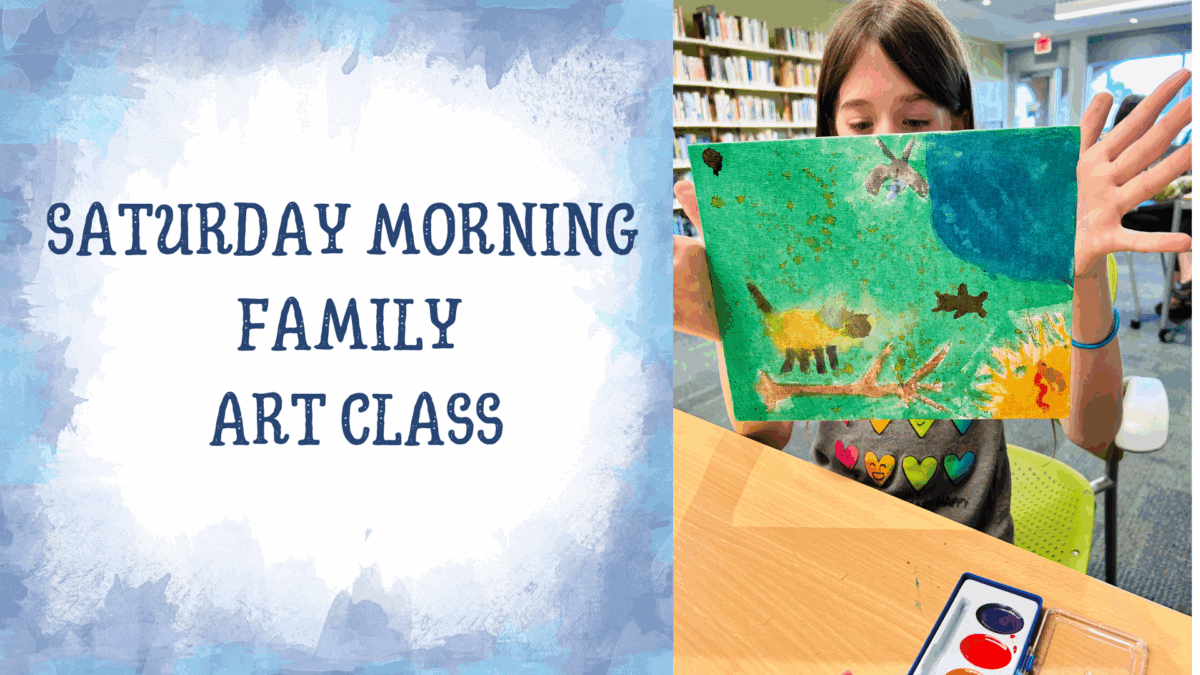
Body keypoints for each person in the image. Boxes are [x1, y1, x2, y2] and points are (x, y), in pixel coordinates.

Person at [673, 0, 1192, 542]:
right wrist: (728, 315)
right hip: (838, 528)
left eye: (916, 120)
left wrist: (1082, 274)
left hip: (969, 542)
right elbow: (765, 433)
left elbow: (1093, 431)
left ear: (959, 125)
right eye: (859, 123)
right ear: (828, 131)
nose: (891, 143)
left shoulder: (993, 245)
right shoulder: (807, 252)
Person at [1111, 94, 1192, 322]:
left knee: (1184, 217)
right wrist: (1189, 182)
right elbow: (1153, 190)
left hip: (1134, 209)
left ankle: (1179, 292)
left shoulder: (1121, 142)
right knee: (1186, 217)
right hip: (1126, 215)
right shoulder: (1126, 147)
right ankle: (1183, 287)